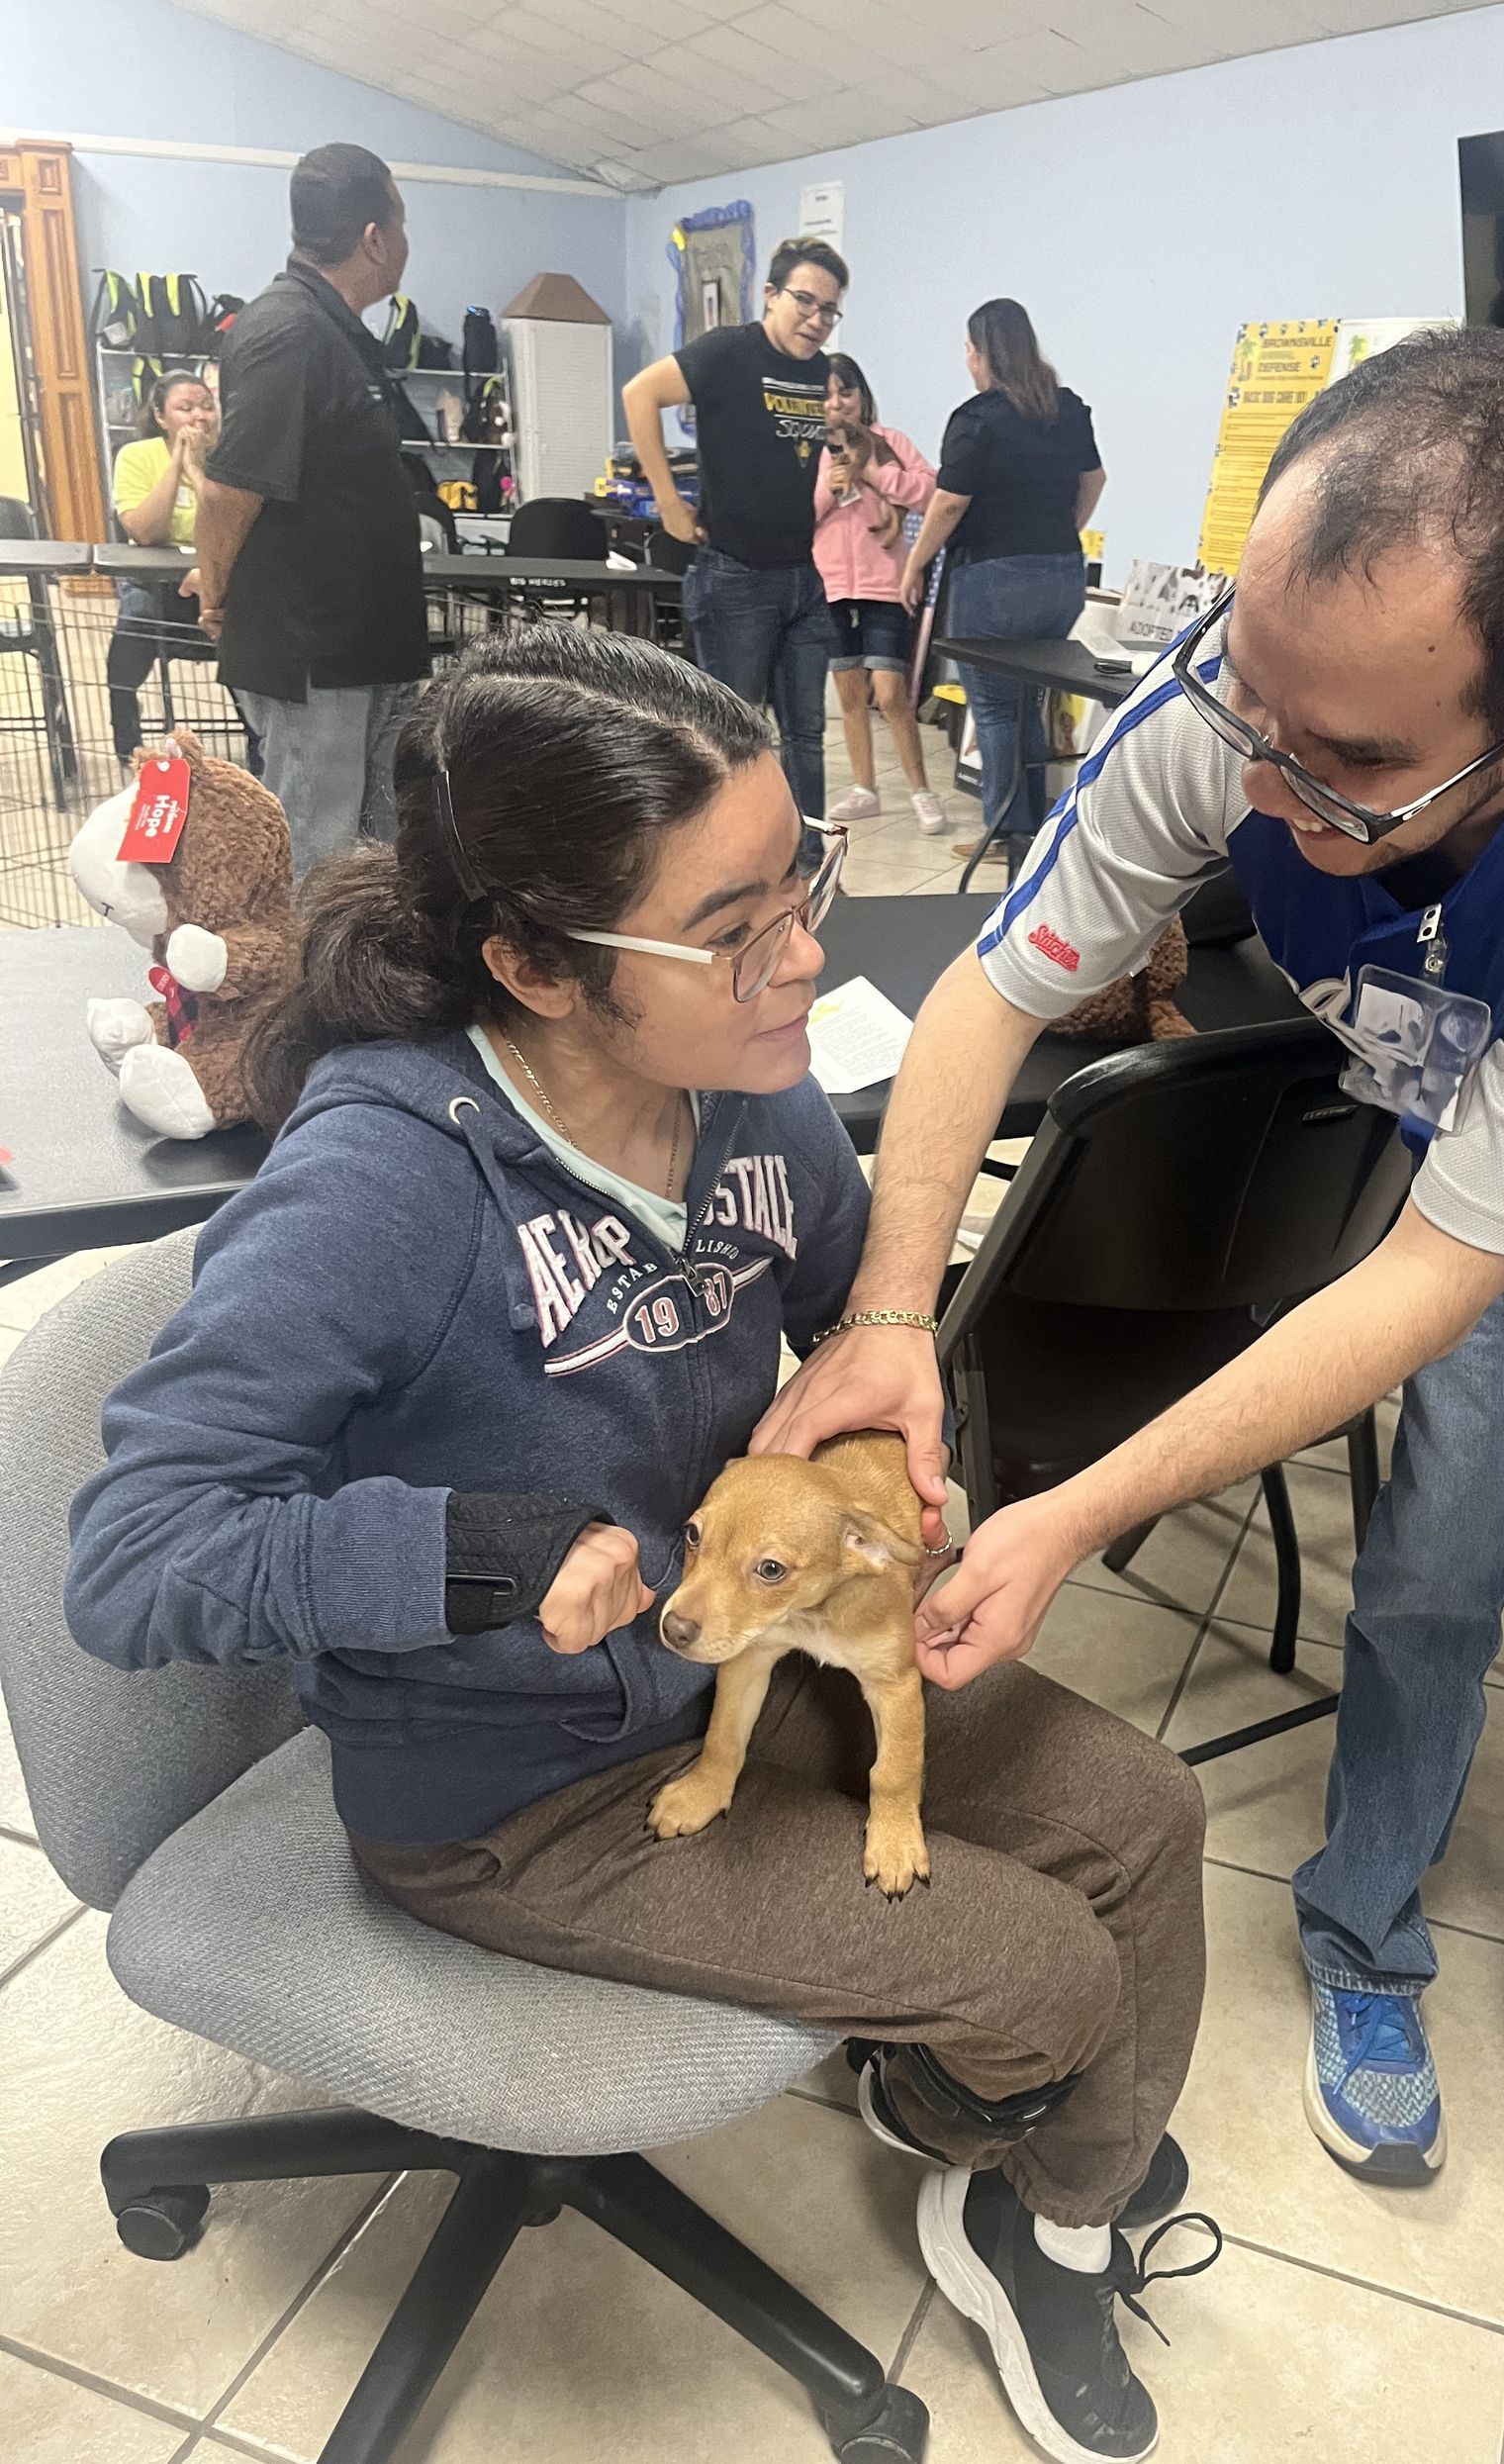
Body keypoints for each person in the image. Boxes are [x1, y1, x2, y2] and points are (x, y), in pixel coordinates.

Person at [762, 328, 1504, 2309]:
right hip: (1487, 1098)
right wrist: (888, 1317)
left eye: (1351, 765)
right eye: (1258, 715)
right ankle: (1367, 1936)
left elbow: (1432, 1271)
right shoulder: (1258, 684)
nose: (1264, 791)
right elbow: (995, 992)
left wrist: (1071, 1507)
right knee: (1435, 1564)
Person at [63, 623, 1213, 2464]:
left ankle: (1051, 2174)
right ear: (531, 962)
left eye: (800, 882)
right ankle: (1025, 2172)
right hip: (516, 1794)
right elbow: (130, 1556)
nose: (807, 958)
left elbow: (853, 1305)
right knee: (1053, 1979)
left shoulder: (752, 1080)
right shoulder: (385, 1184)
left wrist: (902, 1399)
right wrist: (475, 1551)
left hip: (732, 1660)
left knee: (1148, 1819)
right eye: (736, 923)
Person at [188, 142, 428, 878]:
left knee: (372, 853)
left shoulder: (337, 332)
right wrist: (215, 585)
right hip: (312, 656)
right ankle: (306, 994)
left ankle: (361, 989)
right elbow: (232, 488)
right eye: (402, 221)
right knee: (316, 855)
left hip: (366, 643)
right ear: (375, 237)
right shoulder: (287, 330)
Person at [621, 238, 847, 825]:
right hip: (735, 576)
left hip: (802, 576)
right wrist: (669, 502)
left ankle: (808, 865)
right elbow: (639, 394)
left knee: (806, 736)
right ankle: (729, 861)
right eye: (805, 301)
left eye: (830, 310)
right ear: (771, 296)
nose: (816, 319)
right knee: (730, 740)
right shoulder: (728, 352)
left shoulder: (818, 370)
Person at [899, 301, 1105, 867]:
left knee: (992, 710)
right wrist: (1064, 532)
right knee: (1028, 702)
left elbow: (947, 504)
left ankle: (1007, 836)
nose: (967, 361)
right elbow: (1095, 478)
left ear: (982, 352)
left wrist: (915, 564)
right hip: (1062, 575)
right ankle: (1037, 837)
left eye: (969, 350)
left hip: (992, 579)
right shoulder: (1067, 409)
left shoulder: (977, 418)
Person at [812, 352, 945, 836]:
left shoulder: (892, 442)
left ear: (861, 394)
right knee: (849, 693)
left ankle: (921, 792)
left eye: (845, 391)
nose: (837, 402)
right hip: (831, 587)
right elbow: (799, 516)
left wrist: (870, 472)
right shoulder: (812, 451)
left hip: (887, 587)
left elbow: (929, 494)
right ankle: (864, 788)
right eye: (827, 393)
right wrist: (831, 486)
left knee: (890, 694)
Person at [107, 369, 217, 767]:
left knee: (248, 632)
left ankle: (260, 740)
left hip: (219, 579)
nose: (199, 417)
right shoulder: (137, 455)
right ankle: (128, 744)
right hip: (156, 581)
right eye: (185, 408)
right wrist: (176, 465)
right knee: (134, 620)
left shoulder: (231, 455)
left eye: (207, 406)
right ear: (160, 416)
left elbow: (231, 526)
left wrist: (198, 473)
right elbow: (144, 532)